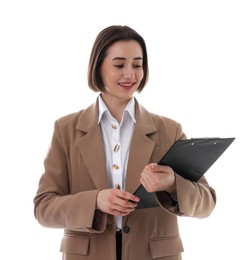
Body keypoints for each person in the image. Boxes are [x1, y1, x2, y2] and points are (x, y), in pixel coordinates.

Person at [33, 25, 216, 260]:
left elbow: (207, 202)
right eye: (119, 65)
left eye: (137, 65)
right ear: (98, 66)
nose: (130, 75)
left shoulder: (169, 130)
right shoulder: (66, 129)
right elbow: (43, 208)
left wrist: (172, 183)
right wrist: (95, 201)